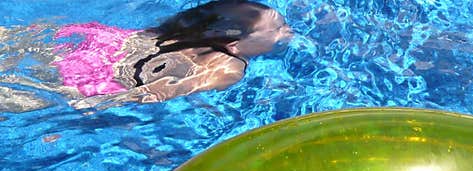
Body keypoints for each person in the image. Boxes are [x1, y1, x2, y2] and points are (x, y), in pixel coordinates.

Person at [0, 1, 292, 112]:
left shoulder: (178, 29)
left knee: (15, 44)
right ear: (235, 44)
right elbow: (157, 91)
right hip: (105, 79)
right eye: (278, 28)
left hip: (101, 40)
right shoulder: (229, 67)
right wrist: (96, 104)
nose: (287, 31)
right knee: (29, 97)